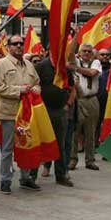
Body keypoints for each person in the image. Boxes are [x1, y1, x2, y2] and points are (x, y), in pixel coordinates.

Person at [0, 34, 41, 194]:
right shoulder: (2, 64)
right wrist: (18, 91)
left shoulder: (28, 64)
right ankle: (5, 180)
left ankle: (25, 177)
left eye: (21, 43)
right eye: (16, 44)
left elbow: (37, 83)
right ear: (8, 46)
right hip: (9, 113)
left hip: (27, 113)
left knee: (26, 144)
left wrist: (35, 90)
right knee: (7, 148)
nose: (19, 46)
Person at [35, 56, 74, 186]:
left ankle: (61, 175)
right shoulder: (41, 66)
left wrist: (68, 104)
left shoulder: (65, 68)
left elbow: (72, 87)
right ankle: (31, 176)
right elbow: (34, 84)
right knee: (39, 143)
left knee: (60, 144)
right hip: (43, 111)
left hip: (60, 111)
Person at [69, 43, 101, 171]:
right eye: (84, 51)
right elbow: (70, 54)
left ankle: (90, 160)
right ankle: (72, 159)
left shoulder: (96, 62)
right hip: (78, 99)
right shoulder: (76, 60)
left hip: (92, 99)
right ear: (79, 52)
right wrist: (75, 37)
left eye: (89, 51)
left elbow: (92, 73)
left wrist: (74, 68)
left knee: (91, 131)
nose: (87, 53)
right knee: (74, 132)